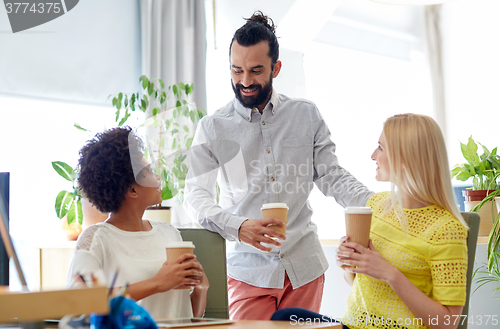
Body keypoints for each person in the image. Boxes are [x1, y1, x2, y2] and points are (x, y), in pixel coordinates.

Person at [184, 11, 372, 320]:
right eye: (236, 70)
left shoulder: (306, 116)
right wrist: (238, 226)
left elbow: (332, 176)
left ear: (276, 68)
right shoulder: (212, 128)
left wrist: (377, 204)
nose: (244, 81)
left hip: (305, 268)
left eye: (256, 71)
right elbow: (195, 197)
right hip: (248, 271)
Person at [272, 113, 469, 329]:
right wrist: (352, 261)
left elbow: (447, 323)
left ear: (406, 157)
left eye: (381, 148)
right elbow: (355, 282)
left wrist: (389, 273)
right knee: (285, 317)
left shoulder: (447, 229)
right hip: (352, 325)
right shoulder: (377, 205)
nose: (373, 155)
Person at [66, 126, 209, 319]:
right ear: (132, 191)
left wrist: (201, 288)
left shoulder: (169, 233)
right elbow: (79, 303)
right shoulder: (97, 239)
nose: (157, 177)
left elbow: (188, 317)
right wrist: (157, 283)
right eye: (149, 171)